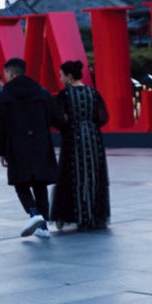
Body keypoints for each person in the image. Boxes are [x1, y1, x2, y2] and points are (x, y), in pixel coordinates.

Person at [0, 58, 61, 238]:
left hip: (16, 144)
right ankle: (43, 226)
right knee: (40, 184)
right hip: (40, 142)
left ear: (10, 73)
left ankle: (33, 213)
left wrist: (1, 151)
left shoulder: (2, 97)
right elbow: (57, 118)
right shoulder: (42, 93)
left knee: (20, 183)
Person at [53, 60, 110, 231]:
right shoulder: (93, 93)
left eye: (62, 75)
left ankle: (79, 215)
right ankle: (94, 216)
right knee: (93, 174)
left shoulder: (65, 95)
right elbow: (102, 118)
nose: (60, 78)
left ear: (69, 76)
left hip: (73, 139)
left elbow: (58, 120)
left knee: (74, 175)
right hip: (93, 139)